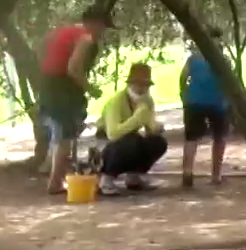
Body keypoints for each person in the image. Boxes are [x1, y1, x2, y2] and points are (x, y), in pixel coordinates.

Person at [40, 7, 109, 195]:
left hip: (47, 83)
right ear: (95, 24)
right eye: (103, 27)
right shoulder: (86, 37)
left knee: (60, 132)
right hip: (63, 87)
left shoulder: (63, 30)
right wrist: (90, 89)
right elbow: (73, 69)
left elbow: (44, 49)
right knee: (66, 136)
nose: (102, 33)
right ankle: (55, 182)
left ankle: (56, 175)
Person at [94, 62, 167, 195]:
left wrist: (156, 127)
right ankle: (106, 179)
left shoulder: (147, 101)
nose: (141, 88)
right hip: (106, 144)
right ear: (130, 84)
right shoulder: (116, 101)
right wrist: (137, 119)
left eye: (145, 85)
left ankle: (134, 177)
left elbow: (149, 127)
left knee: (157, 142)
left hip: (129, 139)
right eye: (138, 84)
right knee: (132, 141)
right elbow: (112, 134)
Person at [179, 32, 230, 188]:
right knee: (219, 138)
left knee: (191, 138)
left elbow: (183, 77)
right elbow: (229, 80)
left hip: (195, 101)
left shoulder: (193, 59)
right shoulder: (223, 60)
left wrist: (184, 94)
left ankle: (187, 173)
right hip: (218, 103)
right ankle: (216, 175)